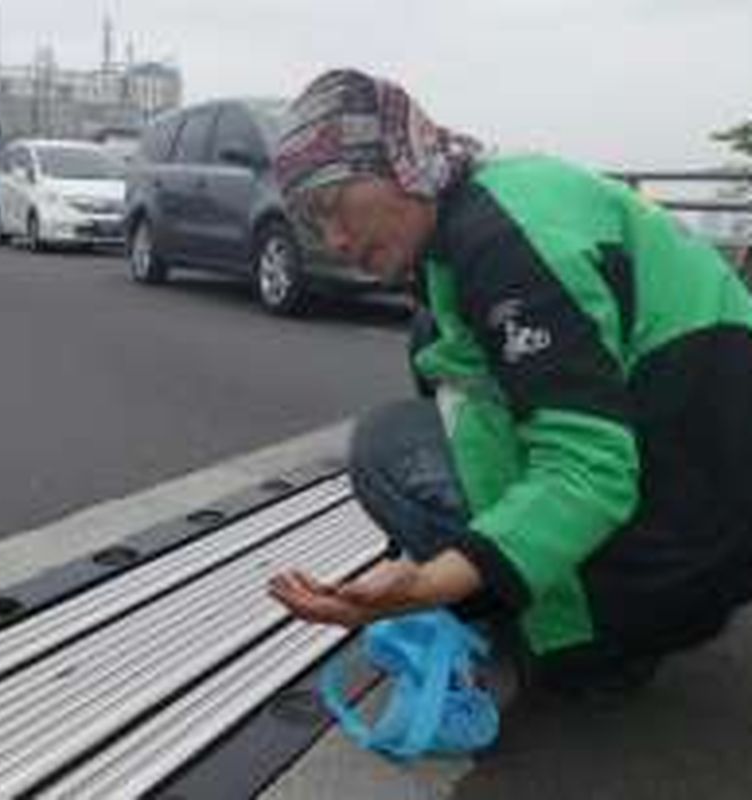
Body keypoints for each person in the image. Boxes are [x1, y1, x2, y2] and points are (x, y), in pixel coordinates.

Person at [267, 68, 752, 692]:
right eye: (312, 222)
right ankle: (575, 593)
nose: (332, 239)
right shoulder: (492, 198)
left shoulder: (500, 242)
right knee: (431, 344)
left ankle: (575, 633)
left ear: (400, 163)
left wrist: (430, 582)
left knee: (385, 446)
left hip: (678, 550)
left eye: (334, 205)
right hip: (705, 505)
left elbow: (589, 470)